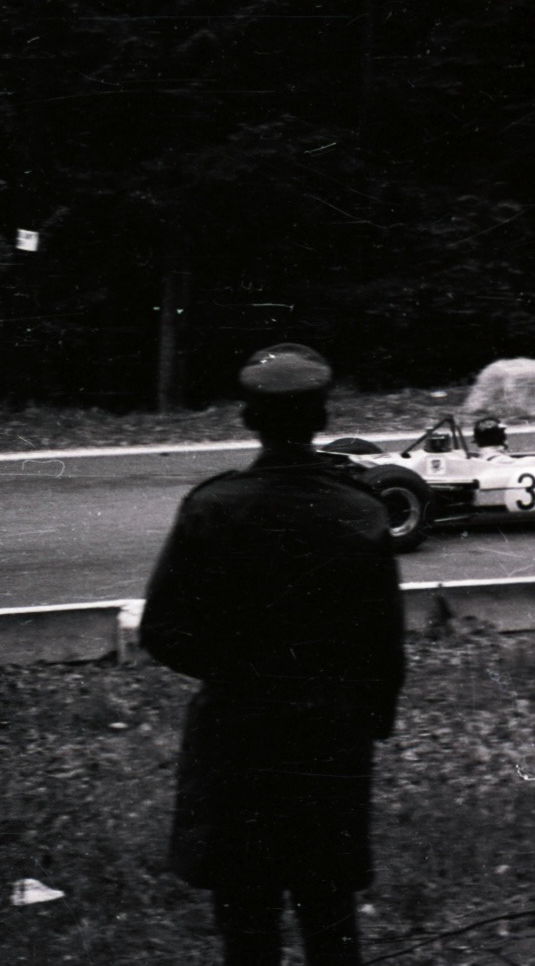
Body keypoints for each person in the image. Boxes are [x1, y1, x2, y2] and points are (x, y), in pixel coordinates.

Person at [141, 343, 406, 966]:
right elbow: (383, 647)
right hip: (329, 743)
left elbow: (163, 628)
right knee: (331, 922)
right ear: (322, 419)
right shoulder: (361, 511)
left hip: (238, 740)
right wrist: (367, 722)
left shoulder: (212, 507)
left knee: (247, 927)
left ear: (248, 417)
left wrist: (238, 672)